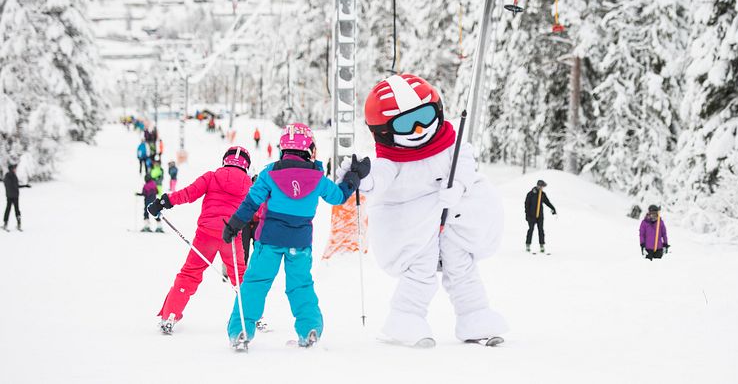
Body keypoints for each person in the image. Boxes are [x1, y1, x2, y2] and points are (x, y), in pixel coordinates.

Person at [350, 74, 507, 347]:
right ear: (385, 130)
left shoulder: (450, 143)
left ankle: (475, 317)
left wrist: (457, 186)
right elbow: (380, 177)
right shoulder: (393, 159)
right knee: (420, 270)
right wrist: (364, 178)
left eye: (425, 116)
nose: (420, 129)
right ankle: (405, 319)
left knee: (461, 266)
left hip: (452, 219)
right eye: (407, 123)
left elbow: (465, 163)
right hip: (416, 225)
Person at [222, 123, 365, 349]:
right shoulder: (317, 177)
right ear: (309, 149)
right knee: (300, 286)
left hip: (268, 240)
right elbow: (338, 197)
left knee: (255, 284)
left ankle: (240, 331)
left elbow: (251, 202)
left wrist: (233, 225)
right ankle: (310, 329)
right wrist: (352, 178)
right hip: (299, 244)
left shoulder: (270, 173)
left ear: (283, 148)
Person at [147, 146, 253, 334]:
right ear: (247, 166)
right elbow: (257, 209)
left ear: (224, 161)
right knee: (241, 277)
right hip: (232, 237)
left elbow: (188, 193)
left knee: (189, 274)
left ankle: (170, 315)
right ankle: (253, 315)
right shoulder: (249, 185)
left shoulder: (211, 176)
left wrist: (163, 202)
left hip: (206, 236)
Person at [524, 180, 557, 254]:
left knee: (541, 230)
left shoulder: (542, 194)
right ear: (538, 186)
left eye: (543, 187)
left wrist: (553, 208)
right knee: (531, 230)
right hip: (531, 216)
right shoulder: (530, 194)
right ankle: (528, 244)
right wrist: (527, 215)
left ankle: (542, 245)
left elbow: (547, 202)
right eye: (542, 186)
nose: (542, 188)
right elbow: (526, 205)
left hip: (540, 216)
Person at [3, 164, 31, 231]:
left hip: (10, 196)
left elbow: (8, 185)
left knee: (8, 210)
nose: (15, 169)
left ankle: (5, 224)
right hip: (14, 196)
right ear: (11, 169)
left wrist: (24, 186)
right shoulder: (12, 176)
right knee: (16, 210)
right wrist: (25, 185)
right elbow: (16, 186)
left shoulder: (7, 176)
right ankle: (18, 224)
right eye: (14, 168)